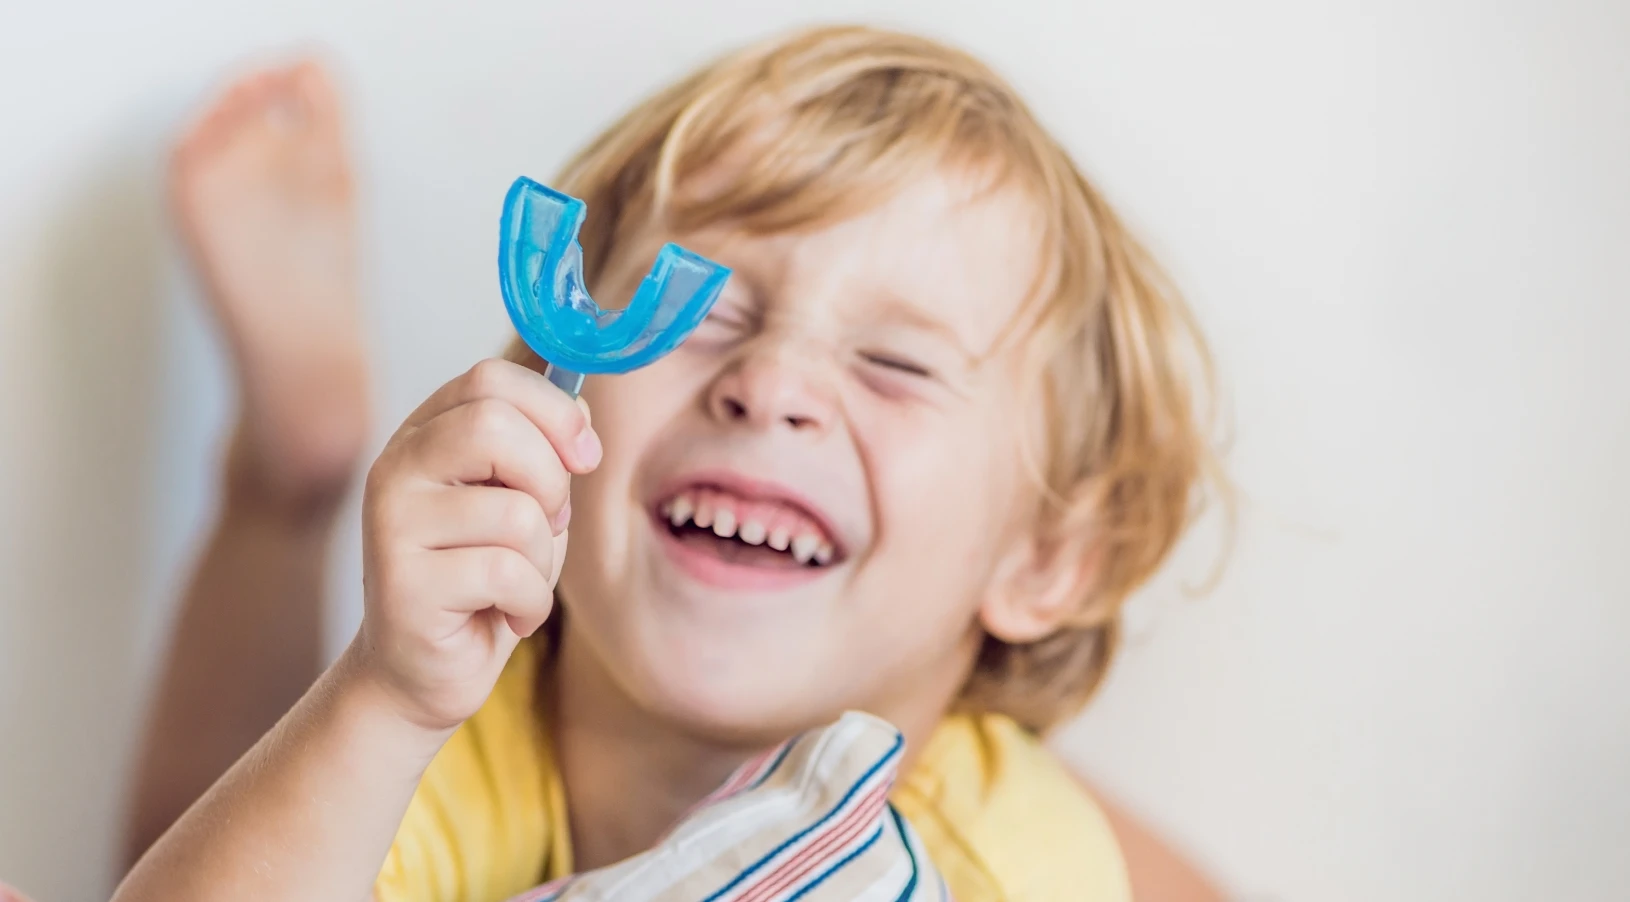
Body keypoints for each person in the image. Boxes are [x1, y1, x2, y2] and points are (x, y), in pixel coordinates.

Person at [120, 25, 1227, 901]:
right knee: (208, 824)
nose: (772, 381)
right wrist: (383, 698)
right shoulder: (442, 729)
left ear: (1046, 557)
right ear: (558, 405)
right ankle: (288, 477)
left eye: (893, 363)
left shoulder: (1008, 853)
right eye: (697, 308)